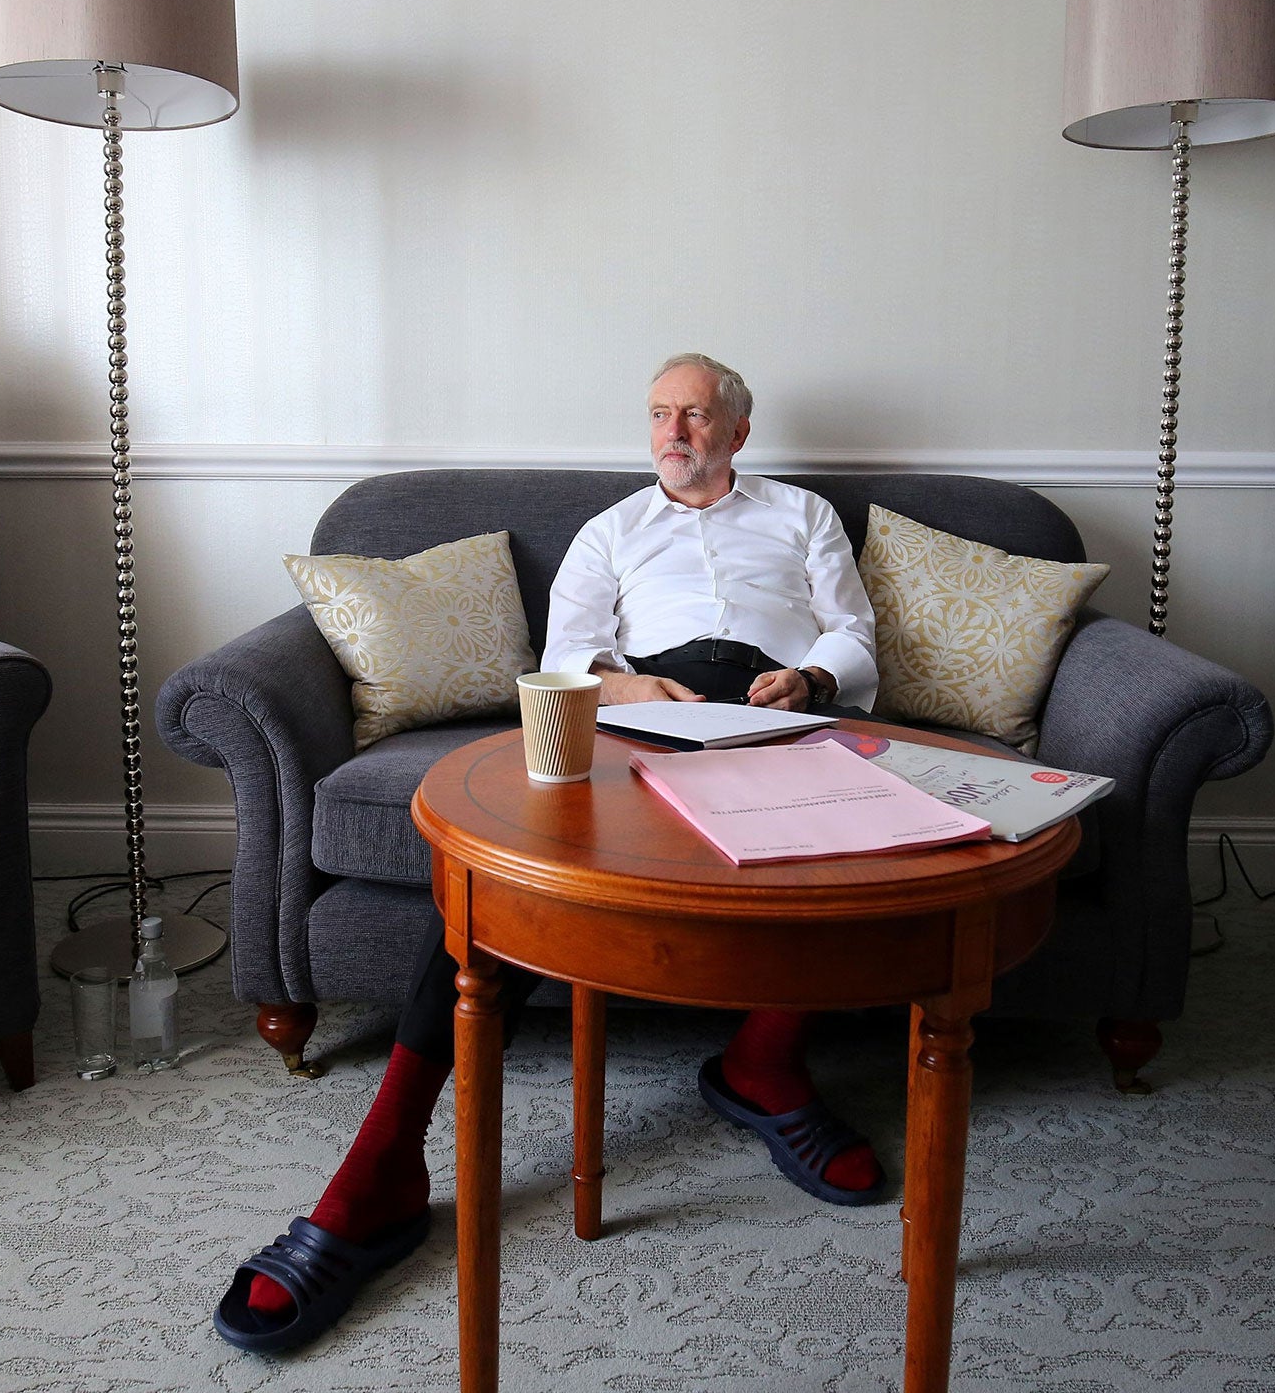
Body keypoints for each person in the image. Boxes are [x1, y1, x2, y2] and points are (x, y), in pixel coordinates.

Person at [215, 354, 885, 1353]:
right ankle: (384, 1164)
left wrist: (808, 680)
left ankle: (764, 1065)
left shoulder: (801, 518)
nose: (675, 432)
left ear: (736, 433)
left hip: (774, 720)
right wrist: (623, 691)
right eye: (660, 414)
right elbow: (564, 652)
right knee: (499, 893)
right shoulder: (610, 531)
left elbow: (855, 632)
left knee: (855, 855)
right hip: (636, 721)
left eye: (696, 416)